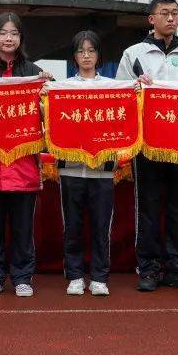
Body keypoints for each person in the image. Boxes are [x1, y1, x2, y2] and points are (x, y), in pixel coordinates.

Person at [116, 0, 178, 292]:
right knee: (149, 208)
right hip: (147, 146)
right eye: (165, 13)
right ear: (151, 19)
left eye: (175, 13)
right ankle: (149, 269)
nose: (171, 18)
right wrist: (135, 87)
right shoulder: (134, 54)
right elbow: (120, 93)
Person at [0, 12, 53, 298]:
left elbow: (48, 116)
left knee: (22, 228)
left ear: (21, 38)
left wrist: (48, 91)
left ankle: (22, 277)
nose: (8, 38)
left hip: (23, 165)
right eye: (3, 33)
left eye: (14, 33)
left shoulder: (34, 72)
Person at [58, 30, 115, 297]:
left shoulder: (112, 88)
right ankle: (75, 275)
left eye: (91, 51)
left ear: (99, 55)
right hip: (71, 168)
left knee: (101, 227)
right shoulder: (63, 87)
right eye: (81, 51)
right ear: (74, 56)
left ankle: (100, 277)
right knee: (73, 226)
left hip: (102, 170)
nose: (86, 56)